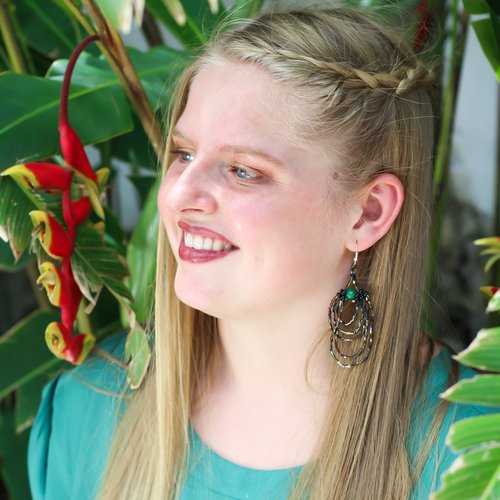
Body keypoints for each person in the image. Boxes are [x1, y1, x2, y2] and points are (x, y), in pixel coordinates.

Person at [27, 7, 498, 500]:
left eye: (243, 171)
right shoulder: (85, 415)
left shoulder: (476, 456)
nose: (179, 194)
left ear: (367, 213)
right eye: (184, 154)